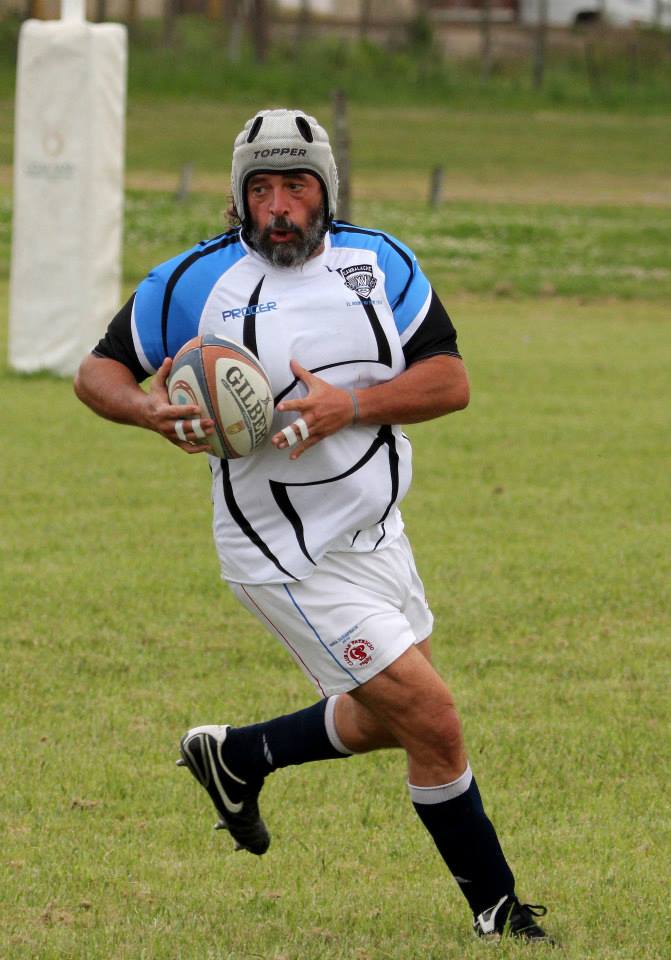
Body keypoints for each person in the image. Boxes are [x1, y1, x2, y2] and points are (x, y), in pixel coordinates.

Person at [74, 108, 554, 945]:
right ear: (238, 198)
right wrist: (148, 410)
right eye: (261, 188)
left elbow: (449, 381)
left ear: (325, 189)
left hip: (376, 531)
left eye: (296, 185)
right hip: (284, 554)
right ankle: (499, 912)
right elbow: (97, 372)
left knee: (380, 718)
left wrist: (352, 405)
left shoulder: (382, 263)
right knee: (434, 723)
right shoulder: (194, 282)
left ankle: (237, 756)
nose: (280, 206)